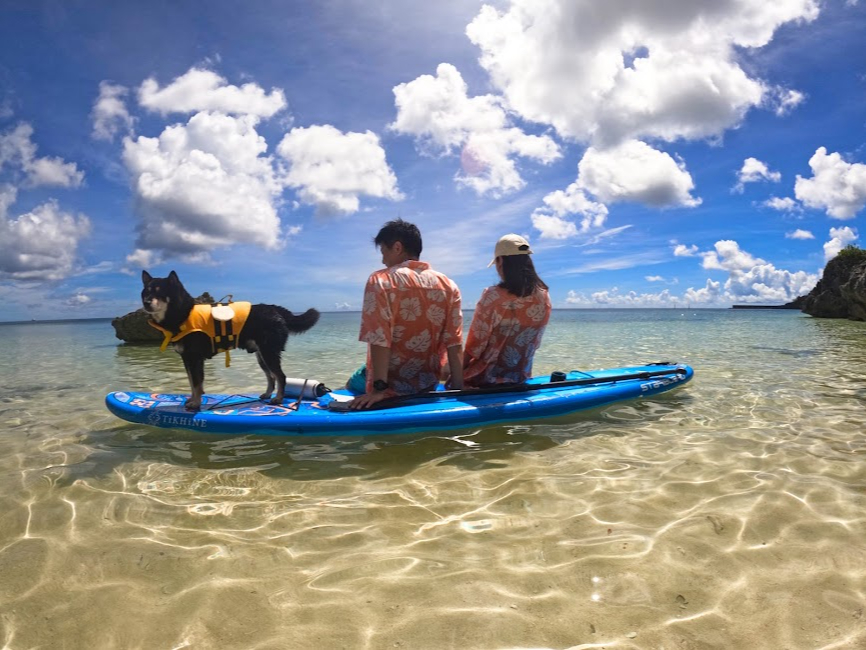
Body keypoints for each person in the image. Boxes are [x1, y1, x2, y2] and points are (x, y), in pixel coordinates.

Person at [349, 219, 464, 409]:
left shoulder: (381, 280)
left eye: (384, 252)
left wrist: (379, 390)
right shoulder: (449, 285)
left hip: (390, 388)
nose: (383, 260)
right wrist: (459, 388)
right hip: (427, 384)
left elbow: (379, 338)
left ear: (397, 247)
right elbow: (454, 341)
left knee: (352, 383)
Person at [463, 233, 551, 387]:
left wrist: (455, 376)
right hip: (520, 377)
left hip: (484, 379)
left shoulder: (493, 296)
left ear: (501, 260)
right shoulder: (544, 297)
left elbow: (474, 348)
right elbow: (535, 343)